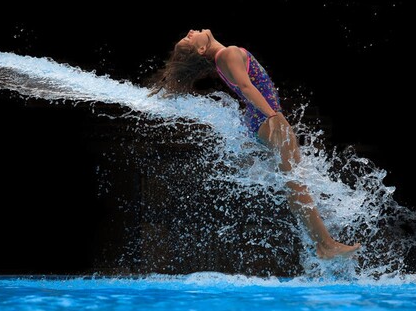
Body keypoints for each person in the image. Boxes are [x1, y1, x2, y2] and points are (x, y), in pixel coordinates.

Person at [149, 29, 360, 259]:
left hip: (257, 119)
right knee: (295, 182)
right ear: (201, 49)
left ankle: (322, 241)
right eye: (188, 38)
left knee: (295, 182)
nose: (190, 31)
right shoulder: (227, 54)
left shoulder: (223, 58)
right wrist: (273, 116)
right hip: (265, 118)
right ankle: (325, 245)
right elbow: (247, 87)